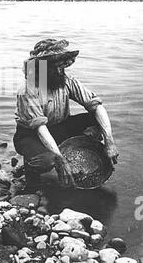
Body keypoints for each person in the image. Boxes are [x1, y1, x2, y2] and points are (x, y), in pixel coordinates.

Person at [13, 38, 119, 188]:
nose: (58, 71)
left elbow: (96, 105)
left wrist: (109, 142)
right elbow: (40, 128)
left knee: (96, 120)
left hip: (60, 126)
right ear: (41, 67)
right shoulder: (28, 90)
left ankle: (73, 151)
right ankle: (31, 169)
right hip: (30, 134)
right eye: (52, 68)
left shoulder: (66, 80)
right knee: (48, 161)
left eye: (60, 67)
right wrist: (59, 159)